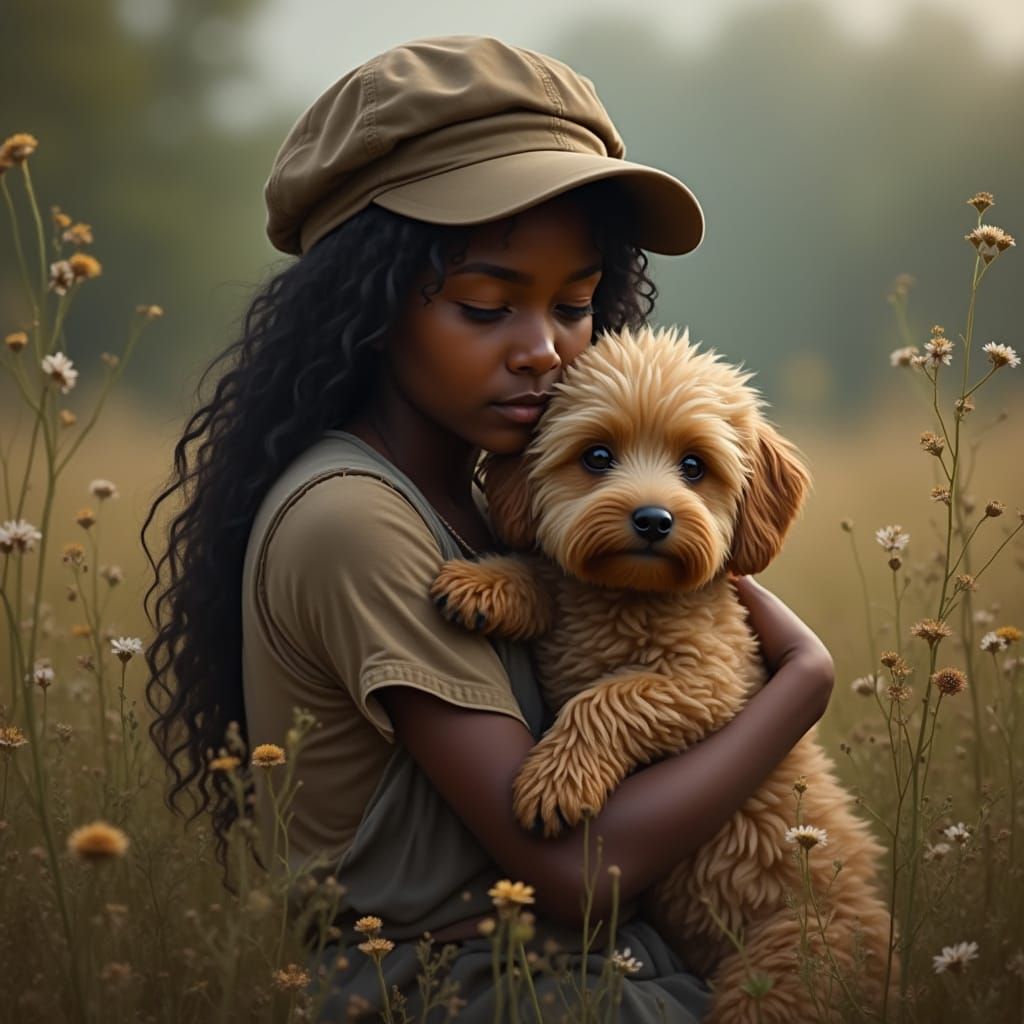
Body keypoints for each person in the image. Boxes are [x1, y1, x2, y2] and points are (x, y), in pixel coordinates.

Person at [143, 35, 834, 1022]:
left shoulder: (484, 502)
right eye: (484, 305)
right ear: (369, 304)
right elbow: (572, 872)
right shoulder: (355, 517)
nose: (543, 350)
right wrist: (797, 684)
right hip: (478, 993)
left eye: (576, 303)